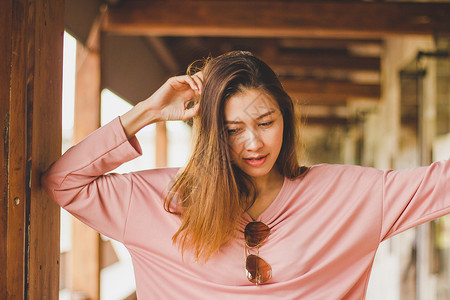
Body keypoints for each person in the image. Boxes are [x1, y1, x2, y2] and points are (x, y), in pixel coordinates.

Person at [41, 51, 450, 299]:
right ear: (212, 135)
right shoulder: (161, 200)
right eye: (233, 130)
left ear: (285, 119)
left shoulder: (347, 194)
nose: (252, 143)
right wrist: (147, 111)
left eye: (265, 122)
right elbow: (63, 181)